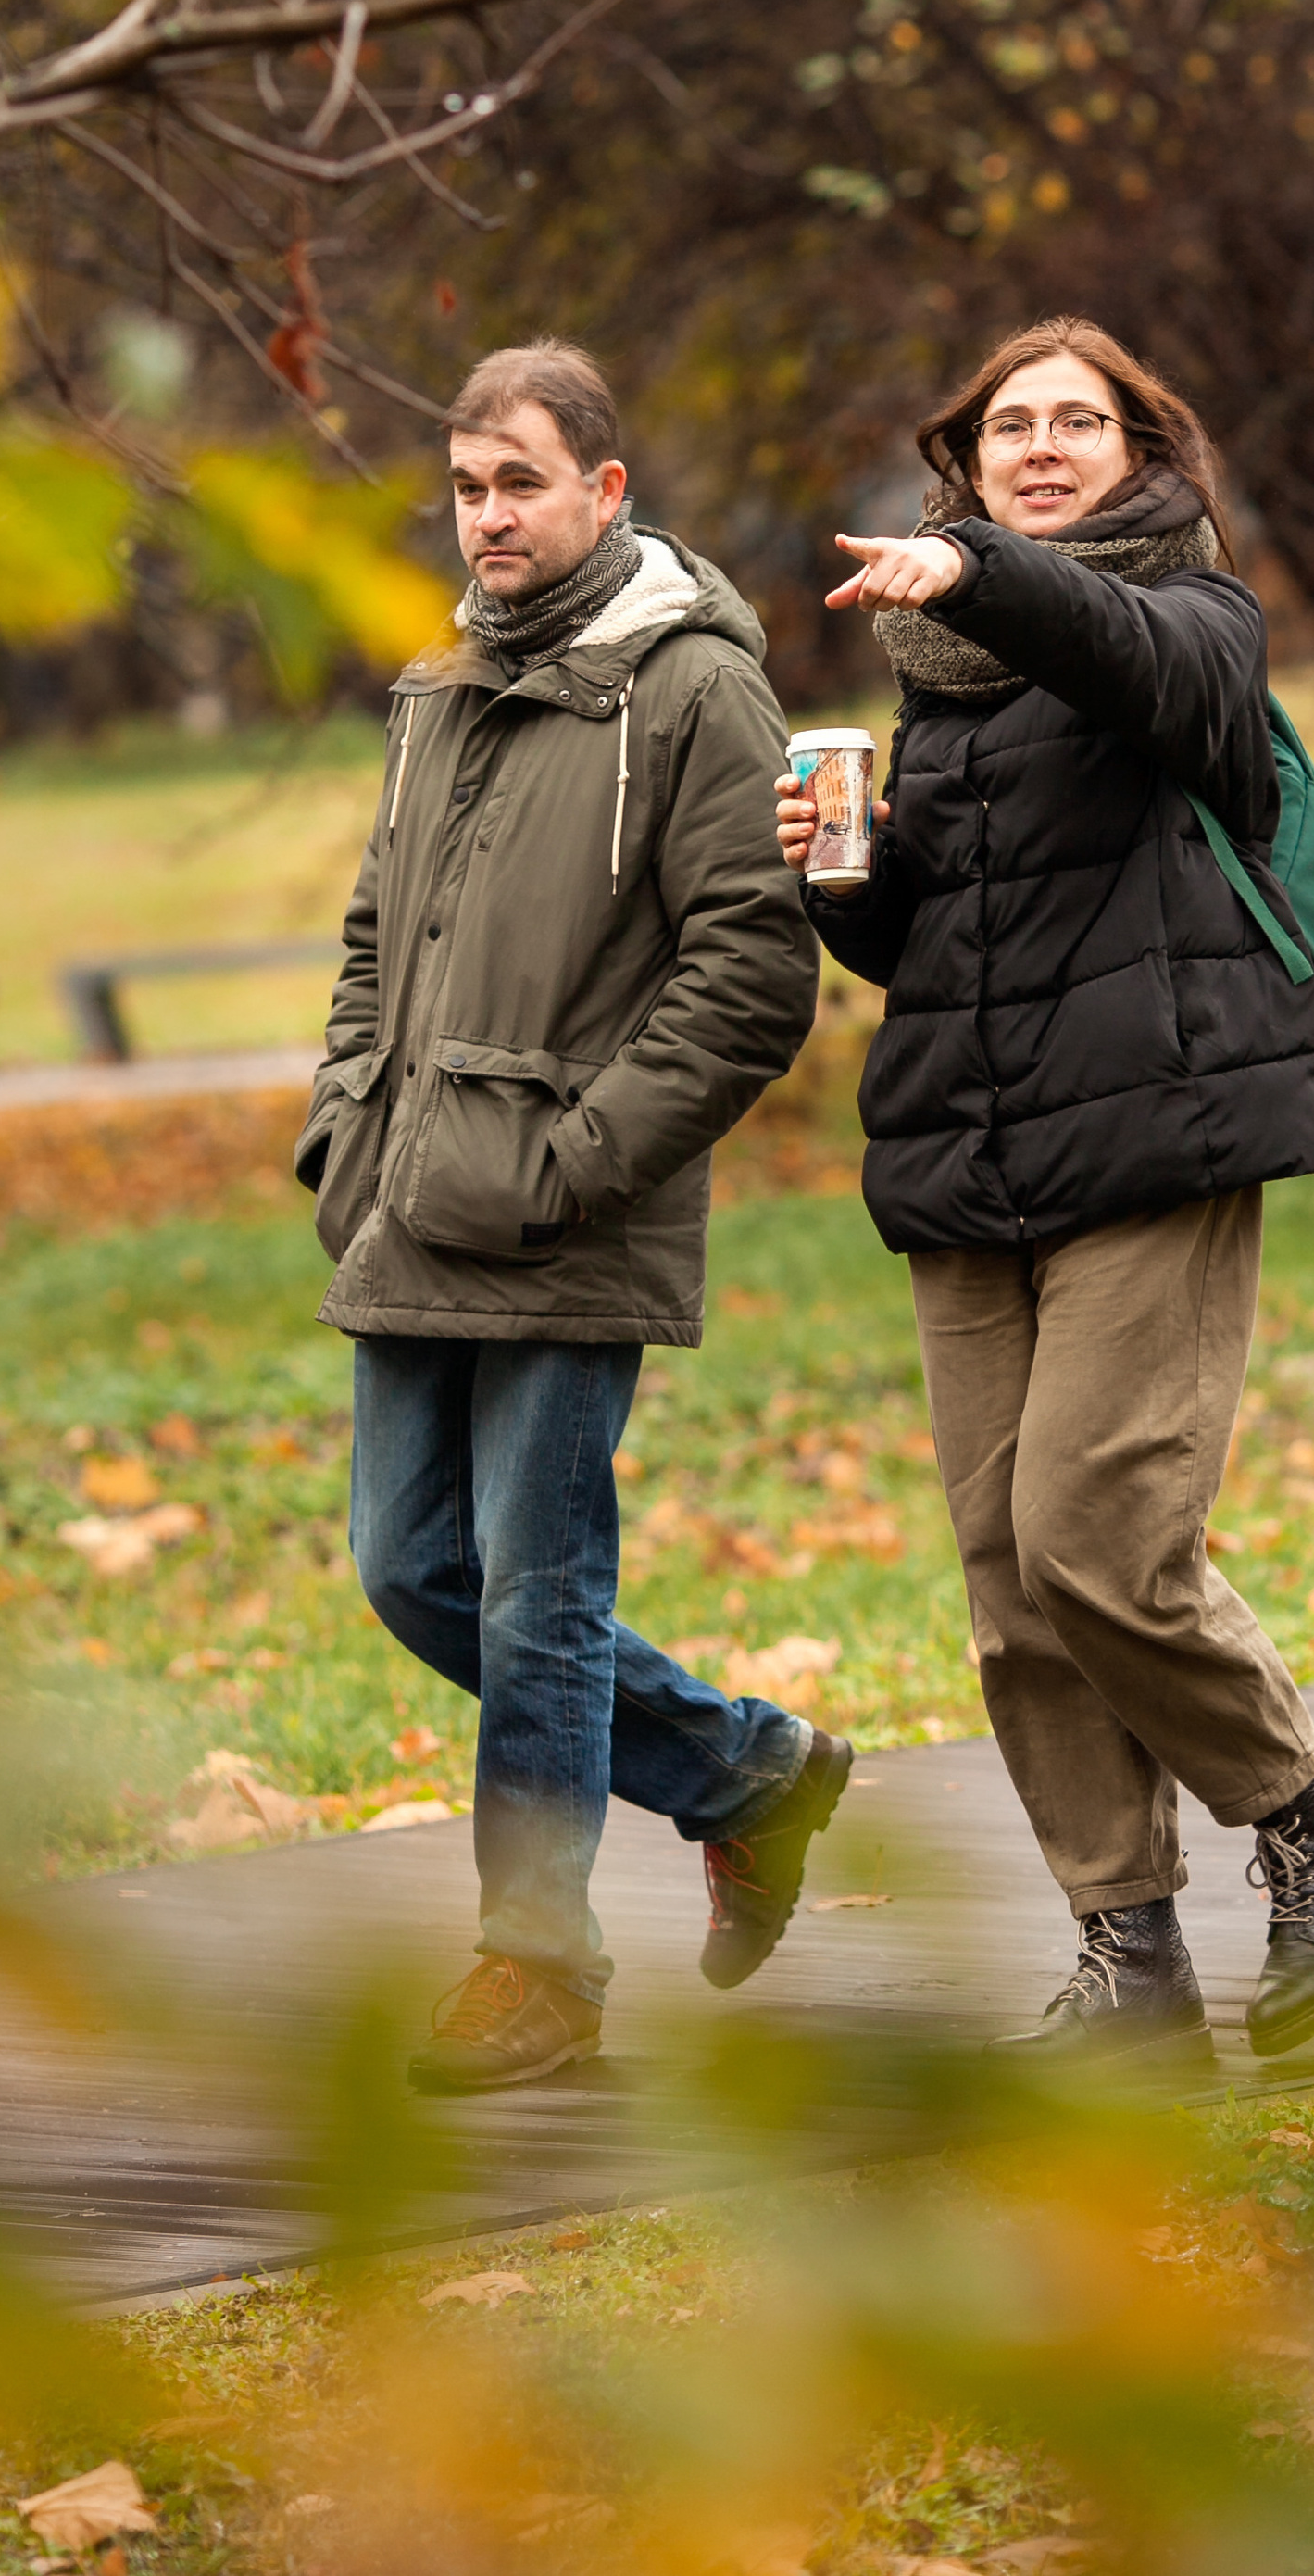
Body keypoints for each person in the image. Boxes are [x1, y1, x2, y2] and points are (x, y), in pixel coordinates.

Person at [776, 316, 1314, 2064]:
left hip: (1158, 1136)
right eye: (1010, 428)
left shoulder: (1197, 621)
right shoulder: (942, 685)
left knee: (1098, 1539)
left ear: (1143, 453)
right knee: (1012, 1584)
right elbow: (927, 947)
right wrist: (843, 876)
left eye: (1079, 422)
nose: (1043, 446)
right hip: (970, 1158)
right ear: (969, 462)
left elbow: (1119, 654)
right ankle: (1126, 1956)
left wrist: (980, 574)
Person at [299, 339, 845, 2095]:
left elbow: (752, 974)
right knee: (411, 1570)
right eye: (467, 488)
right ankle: (745, 1772)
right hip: (412, 1197)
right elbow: (377, 934)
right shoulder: (442, 681)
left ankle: (538, 1966)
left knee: (541, 1594)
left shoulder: (694, 690)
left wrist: (579, 1162)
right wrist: (345, 1114)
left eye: (519, 482)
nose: (487, 517)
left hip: (568, 1214)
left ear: (605, 490)